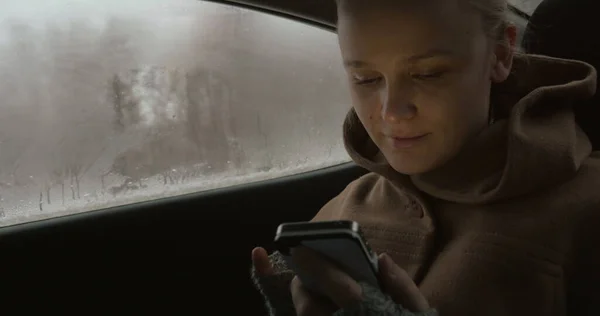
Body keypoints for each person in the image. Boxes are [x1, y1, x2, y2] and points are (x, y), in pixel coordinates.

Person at [251, 0, 600, 315]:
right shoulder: (343, 209)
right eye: (365, 78)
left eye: (429, 73)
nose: (392, 111)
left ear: (501, 53)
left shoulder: (585, 209)